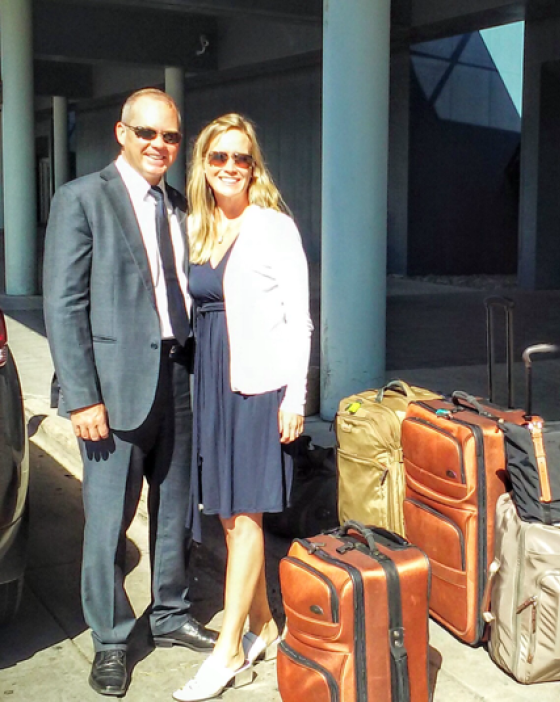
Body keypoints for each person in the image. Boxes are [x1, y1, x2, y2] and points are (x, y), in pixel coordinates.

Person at [43, 88, 218, 698]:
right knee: (107, 521)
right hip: (113, 392)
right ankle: (111, 637)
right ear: (122, 133)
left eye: (170, 137)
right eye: (147, 133)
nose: (159, 146)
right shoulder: (82, 199)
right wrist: (82, 395)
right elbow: (64, 305)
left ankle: (169, 613)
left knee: (176, 510)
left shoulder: (177, 204)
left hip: (179, 377)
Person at [172, 114, 312, 702]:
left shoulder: (274, 227)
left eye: (241, 158)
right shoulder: (199, 228)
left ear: (255, 167)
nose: (230, 167)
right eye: (218, 157)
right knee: (227, 517)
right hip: (212, 383)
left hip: (257, 389)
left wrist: (295, 398)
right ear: (203, 165)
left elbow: (300, 319)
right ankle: (265, 626)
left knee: (245, 518)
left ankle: (228, 651)